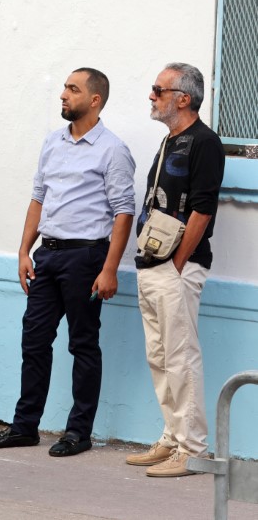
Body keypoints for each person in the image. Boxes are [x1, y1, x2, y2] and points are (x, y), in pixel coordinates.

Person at [0, 68, 135, 457]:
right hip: (47, 255)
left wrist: (109, 269)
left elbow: (123, 212)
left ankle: (78, 432)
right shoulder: (52, 142)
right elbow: (38, 197)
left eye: (73, 89)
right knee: (34, 341)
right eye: (65, 88)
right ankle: (25, 427)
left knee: (83, 345)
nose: (63, 95)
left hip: (87, 257)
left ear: (95, 99)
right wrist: (23, 251)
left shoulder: (113, 150)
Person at [127, 63, 224, 478]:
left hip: (176, 268)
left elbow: (203, 208)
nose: (151, 96)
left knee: (181, 357)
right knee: (160, 356)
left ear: (183, 98)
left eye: (158, 90)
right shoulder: (171, 140)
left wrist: (176, 264)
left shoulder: (204, 142)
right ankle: (172, 437)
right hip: (152, 265)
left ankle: (193, 449)